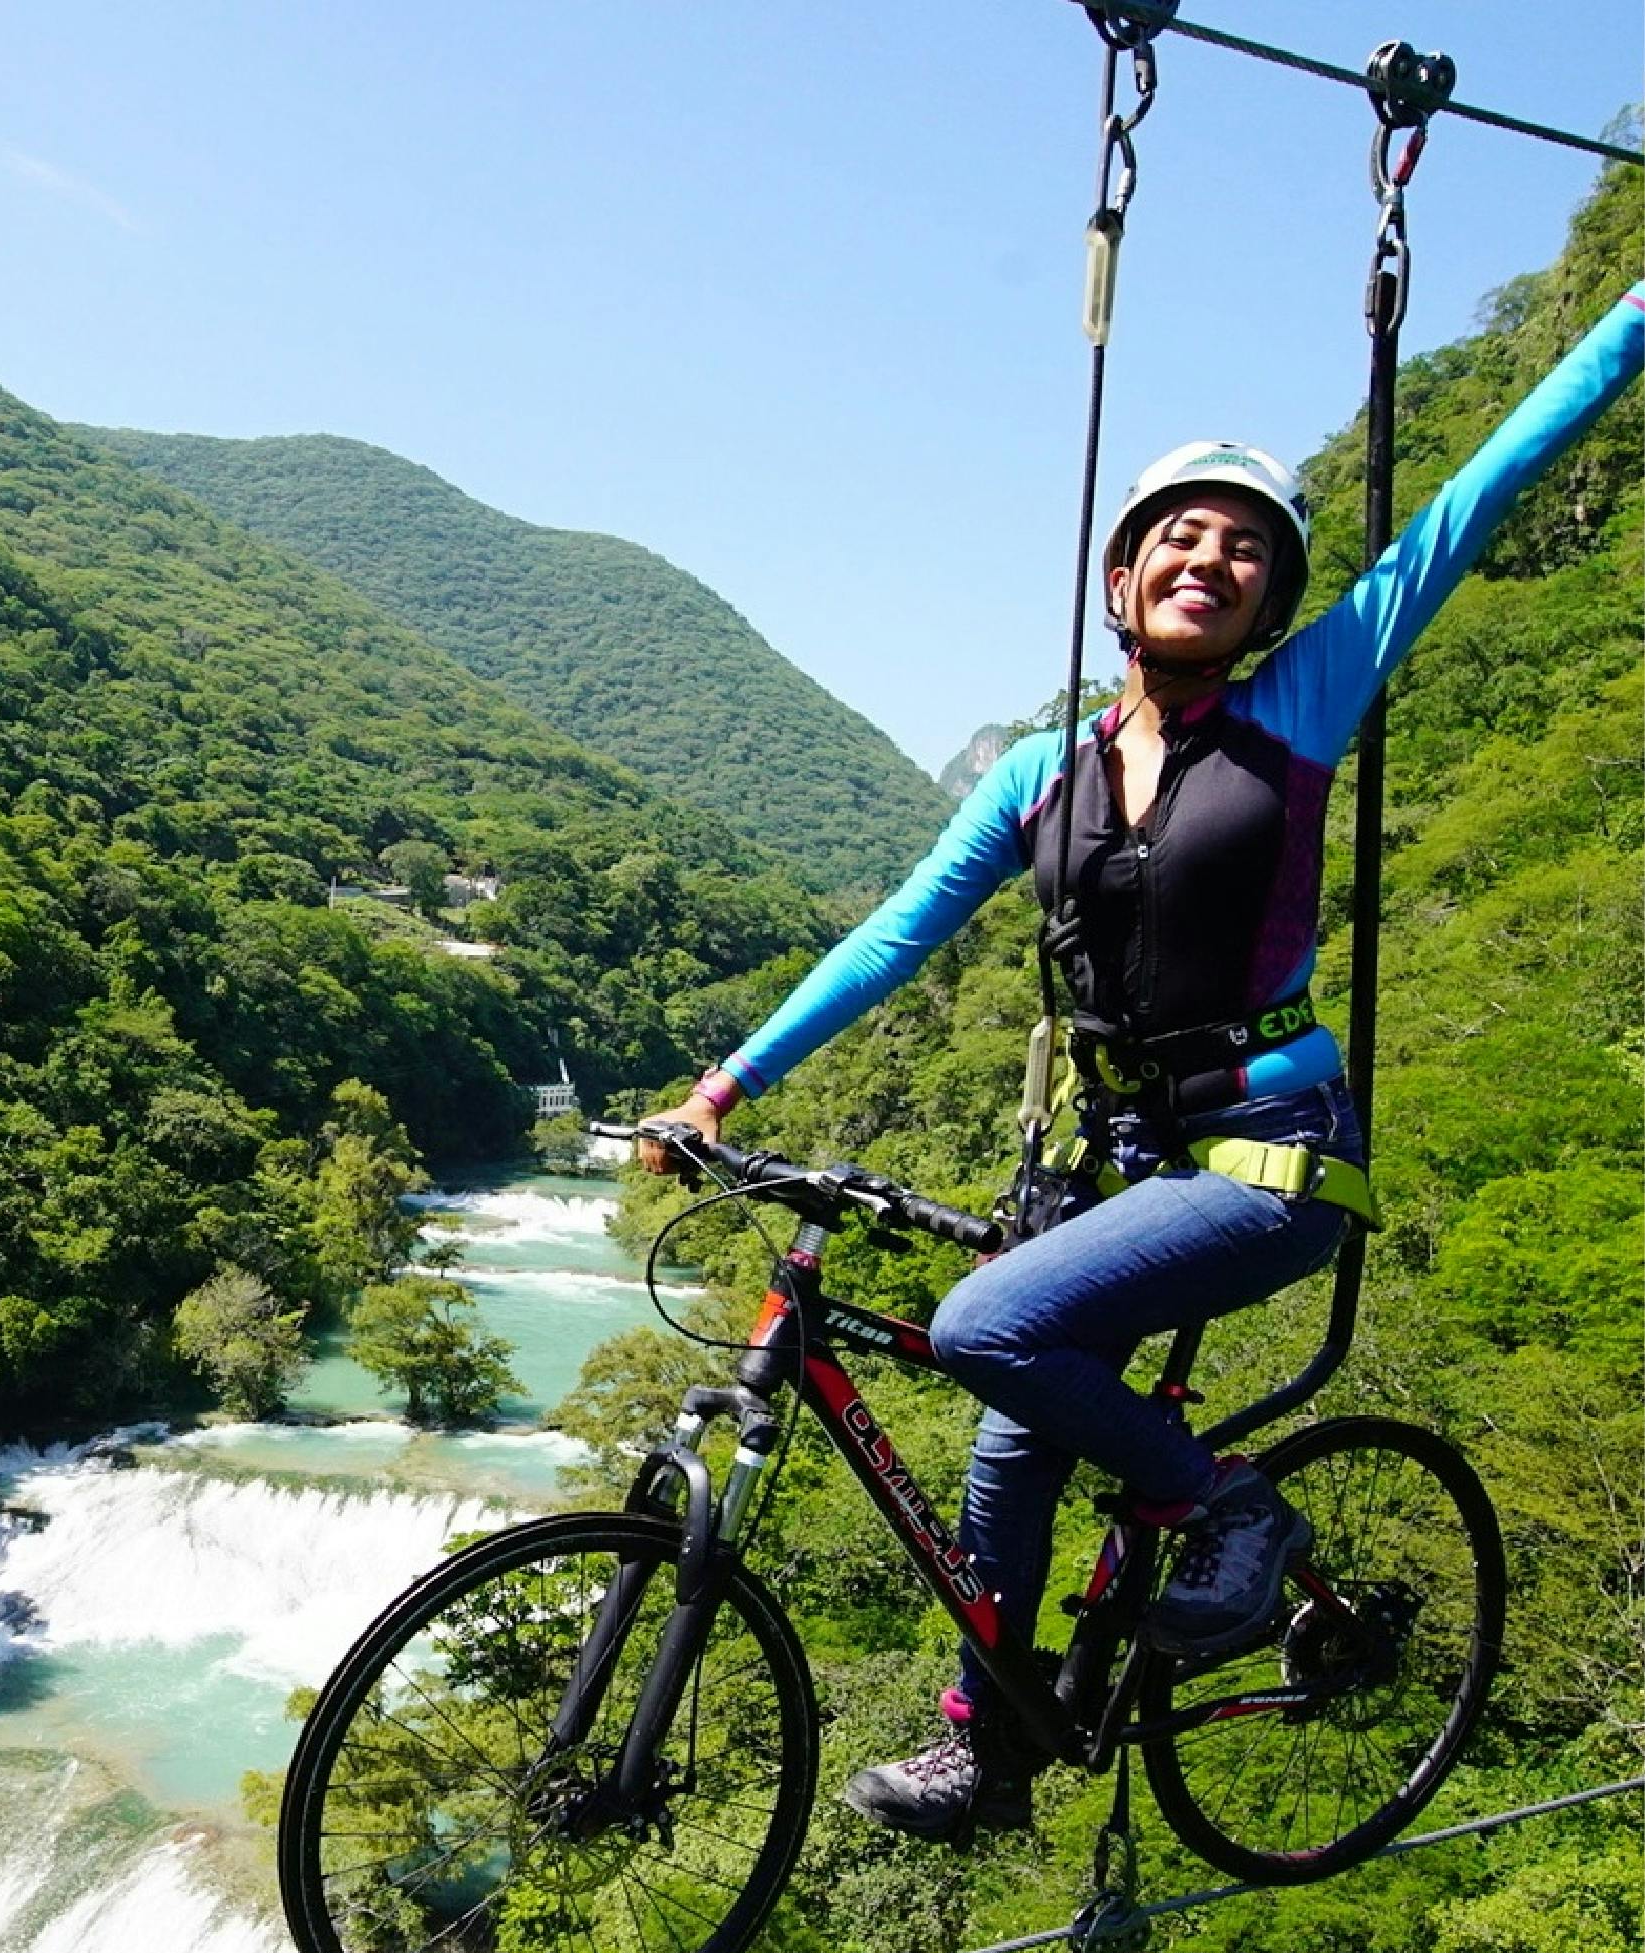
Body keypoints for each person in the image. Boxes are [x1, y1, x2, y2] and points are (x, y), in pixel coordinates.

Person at [640, 281, 1644, 1842]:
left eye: (1246, 549)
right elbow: (899, 934)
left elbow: (1493, 477)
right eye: (1180, 535)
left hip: (1272, 1148)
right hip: (1122, 1164)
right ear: (1122, 578)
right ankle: (996, 1742)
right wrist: (724, 1087)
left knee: (985, 1326)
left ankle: (1229, 1509)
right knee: (1006, 1449)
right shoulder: (1043, 775)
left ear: (1272, 604)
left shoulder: (1300, 708)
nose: (1211, 559)